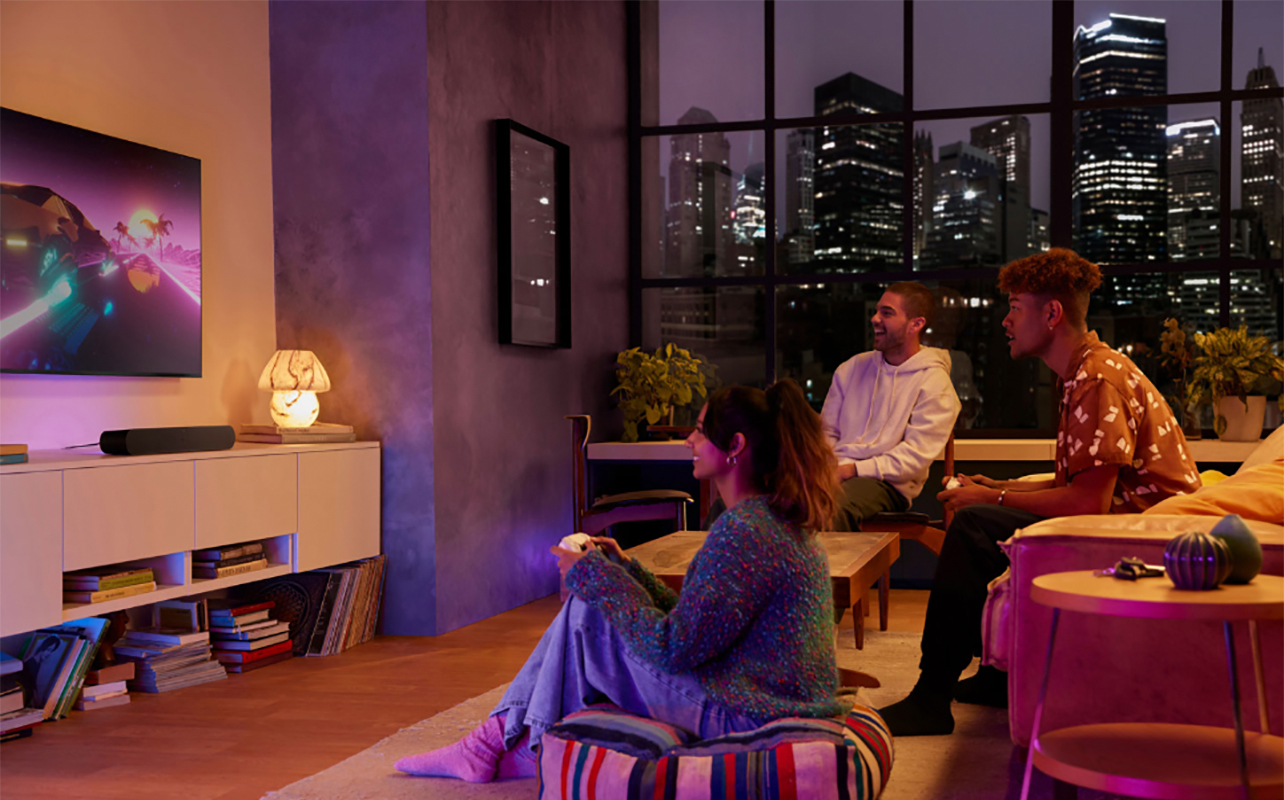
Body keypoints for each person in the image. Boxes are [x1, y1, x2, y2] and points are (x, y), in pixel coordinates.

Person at [394, 379, 844, 782]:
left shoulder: (744, 531)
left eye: (701, 431)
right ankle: (503, 744)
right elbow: (699, 627)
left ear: (735, 445)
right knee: (592, 600)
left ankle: (494, 745)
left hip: (745, 714)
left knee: (587, 609)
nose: (690, 439)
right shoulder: (768, 521)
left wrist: (592, 576)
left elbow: (672, 648)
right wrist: (626, 569)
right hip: (765, 697)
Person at [878, 248, 1201, 737]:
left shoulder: (1096, 378)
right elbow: (1083, 481)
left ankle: (930, 699)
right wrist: (999, 486)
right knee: (981, 512)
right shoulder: (1082, 372)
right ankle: (995, 677)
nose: (1006, 320)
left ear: (1051, 314)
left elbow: (1089, 503)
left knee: (971, 527)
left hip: (1145, 541)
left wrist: (992, 501)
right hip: (1125, 522)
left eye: (1014, 307)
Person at [820, 282, 961, 531]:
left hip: (886, 483)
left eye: (887, 313)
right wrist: (829, 469)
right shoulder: (851, 368)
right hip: (832, 472)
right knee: (770, 502)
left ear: (916, 324)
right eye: (876, 311)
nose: (874, 319)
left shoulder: (934, 383)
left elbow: (913, 458)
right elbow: (826, 432)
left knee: (831, 508)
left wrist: (850, 470)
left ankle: (821, 571)